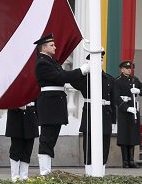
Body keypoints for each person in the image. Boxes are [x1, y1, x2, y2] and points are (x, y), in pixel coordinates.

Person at [34, 33, 87, 175]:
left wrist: (80, 75)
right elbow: (60, 77)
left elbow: (64, 76)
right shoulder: (42, 63)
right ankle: (44, 172)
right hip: (49, 104)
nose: (55, 47)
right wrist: (81, 71)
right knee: (47, 138)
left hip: (55, 103)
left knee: (51, 138)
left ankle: (47, 170)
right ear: (43, 48)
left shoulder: (52, 61)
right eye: (52, 45)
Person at [71, 52, 114, 166]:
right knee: (89, 141)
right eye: (97, 59)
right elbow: (72, 80)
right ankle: (89, 168)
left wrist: (114, 120)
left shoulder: (109, 78)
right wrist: (83, 70)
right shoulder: (85, 78)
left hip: (105, 113)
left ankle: (102, 168)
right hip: (90, 112)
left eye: (101, 59)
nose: (100, 61)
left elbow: (113, 100)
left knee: (105, 141)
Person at [114, 59, 142, 168]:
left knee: (133, 135)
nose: (129, 70)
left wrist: (139, 91)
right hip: (124, 111)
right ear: (122, 69)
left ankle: (131, 160)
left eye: (130, 68)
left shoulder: (135, 80)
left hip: (134, 110)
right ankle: (125, 161)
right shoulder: (117, 81)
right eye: (126, 68)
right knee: (124, 135)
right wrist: (126, 108)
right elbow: (116, 98)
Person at [6, 101, 38, 182]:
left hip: (31, 117)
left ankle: (24, 176)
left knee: (27, 150)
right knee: (16, 150)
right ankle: (15, 177)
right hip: (16, 119)